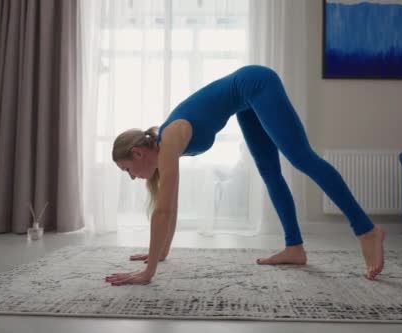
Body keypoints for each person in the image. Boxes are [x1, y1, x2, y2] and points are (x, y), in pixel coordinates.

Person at [105, 65, 385, 286]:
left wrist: (148, 272)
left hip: (256, 83)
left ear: (138, 153)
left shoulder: (170, 139)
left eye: (126, 170)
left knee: (302, 158)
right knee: (269, 173)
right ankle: (294, 248)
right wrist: (161, 253)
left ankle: (366, 230)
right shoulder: (168, 147)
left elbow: (163, 211)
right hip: (245, 104)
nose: (131, 177)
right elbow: (171, 203)